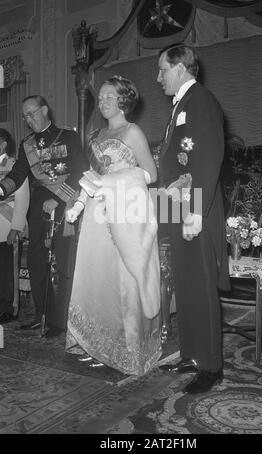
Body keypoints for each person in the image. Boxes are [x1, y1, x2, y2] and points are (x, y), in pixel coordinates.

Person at [65, 75, 162, 376]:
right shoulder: (96, 134)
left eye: (110, 96)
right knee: (96, 273)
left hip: (126, 211)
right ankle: (95, 343)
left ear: (123, 100)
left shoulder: (133, 132)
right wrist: (79, 204)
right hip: (97, 212)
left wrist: (116, 181)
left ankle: (126, 349)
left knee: (123, 277)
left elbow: (151, 173)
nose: (103, 101)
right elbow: (91, 178)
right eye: (102, 97)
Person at [157, 44, 230, 393]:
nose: (159, 78)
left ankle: (212, 366)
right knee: (184, 283)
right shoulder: (180, 106)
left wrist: (196, 213)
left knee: (200, 284)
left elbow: (208, 158)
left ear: (181, 68)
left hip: (194, 206)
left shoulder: (201, 100)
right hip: (176, 204)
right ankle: (191, 354)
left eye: (162, 70)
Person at [0, 96, 84, 337]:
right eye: (25, 116)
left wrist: (57, 199)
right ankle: (42, 316)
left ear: (45, 110)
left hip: (64, 205)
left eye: (32, 113)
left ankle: (61, 320)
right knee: (37, 263)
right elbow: (18, 174)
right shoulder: (27, 144)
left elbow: (79, 170)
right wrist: (2, 188)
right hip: (37, 210)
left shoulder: (68, 137)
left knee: (64, 262)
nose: (29, 119)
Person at [0, 129, 29, 324]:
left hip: (7, 223)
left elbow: (23, 197)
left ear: (3, 143)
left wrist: (16, 227)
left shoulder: (13, 164)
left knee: (7, 271)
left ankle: (9, 308)